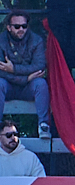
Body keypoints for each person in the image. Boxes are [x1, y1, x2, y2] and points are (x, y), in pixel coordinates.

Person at [0, 10, 50, 140]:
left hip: (29, 86)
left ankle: (44, 125)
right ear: (9, 27)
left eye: (24, 26)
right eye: (17, 26)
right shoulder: (1, 40)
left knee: (41, 83)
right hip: (8, 85)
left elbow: (39, 67)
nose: (21, 29)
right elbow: (1, 71)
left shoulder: (36, 40)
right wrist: (26, 77)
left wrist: (13, 69)